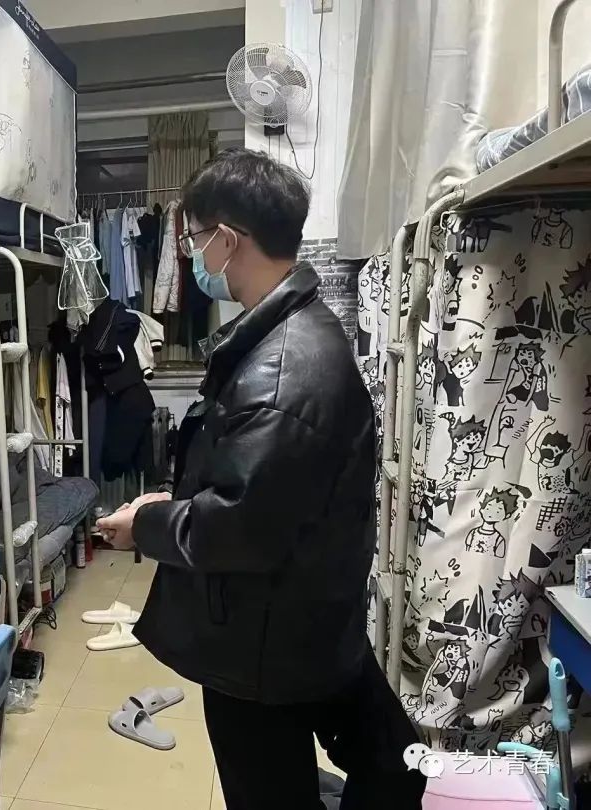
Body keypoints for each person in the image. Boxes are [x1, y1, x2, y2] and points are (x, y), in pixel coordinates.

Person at [96, 148, 425, 809]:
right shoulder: (293, 331)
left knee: (299, 788)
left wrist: (146, 524)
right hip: (305, 615)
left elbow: (235, 528)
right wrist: (178, 499)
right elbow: (259, 485)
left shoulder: (282, 372)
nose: (192, 255)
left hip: (261, 644)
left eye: (194, 239)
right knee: (390, 761)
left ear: (227, 240)